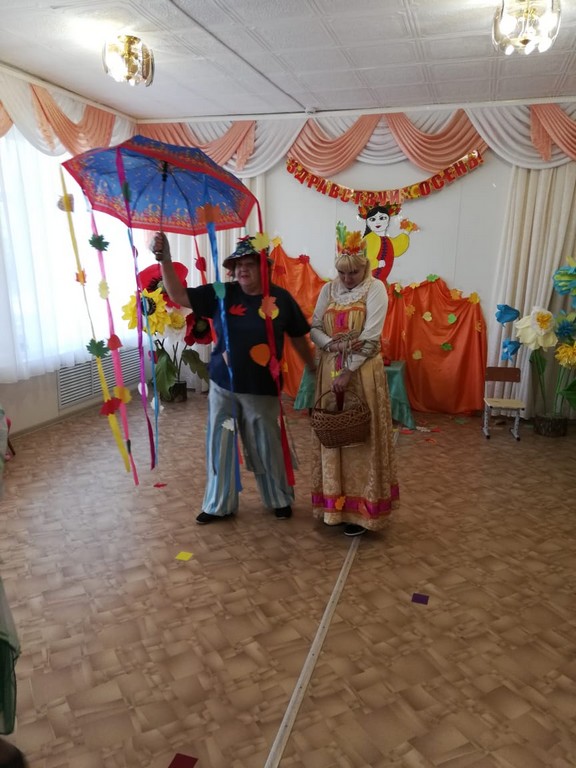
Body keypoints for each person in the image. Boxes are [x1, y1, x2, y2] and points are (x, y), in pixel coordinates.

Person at [152, 231, 316, 525]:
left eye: (249, 263)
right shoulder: (221, 293)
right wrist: (165, 259)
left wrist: (313, 369)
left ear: (264, 268)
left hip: (261, 390)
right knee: (221, 443)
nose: (242, 269)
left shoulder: (281, 299)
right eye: (238, 264)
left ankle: (278, 497)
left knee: (267, 444)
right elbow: (178, 295)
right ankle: (218, 504)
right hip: (223, 387)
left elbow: (298, 338)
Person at [310, 225, 399, 536]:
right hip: (329, 369)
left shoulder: (376, 289)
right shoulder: (328, 290)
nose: (347, 279)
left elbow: (371, 337)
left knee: (360, 437)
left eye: (354, 273)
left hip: (362, 374)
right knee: (332, 433)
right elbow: (315, 327)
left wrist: (348, 370)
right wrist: (332, 345)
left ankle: (361, 511)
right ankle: (333, 506)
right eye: (342, 273)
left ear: (365, 267)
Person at [360, 203, 409, 285]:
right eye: (373, 219)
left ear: (388, 220)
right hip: (370, 280)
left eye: (382, 218)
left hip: (382, 281)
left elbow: (397, 247)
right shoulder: (369, 239)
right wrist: (377, 263)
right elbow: (364, 258)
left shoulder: (387, 240)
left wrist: (406, 231)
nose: (378, 222)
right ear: (368, 222)